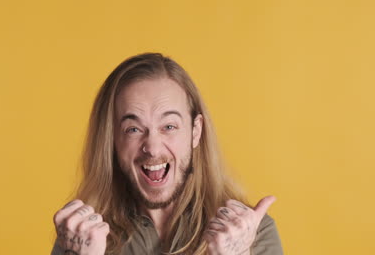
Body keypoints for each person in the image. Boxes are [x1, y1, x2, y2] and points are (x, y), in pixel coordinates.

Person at [51, 53, 283, 255]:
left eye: (169, 127)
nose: (152, 148)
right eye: (133, 129)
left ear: (195, 131)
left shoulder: (249, 233)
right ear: (111, 140)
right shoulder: (79, 234)